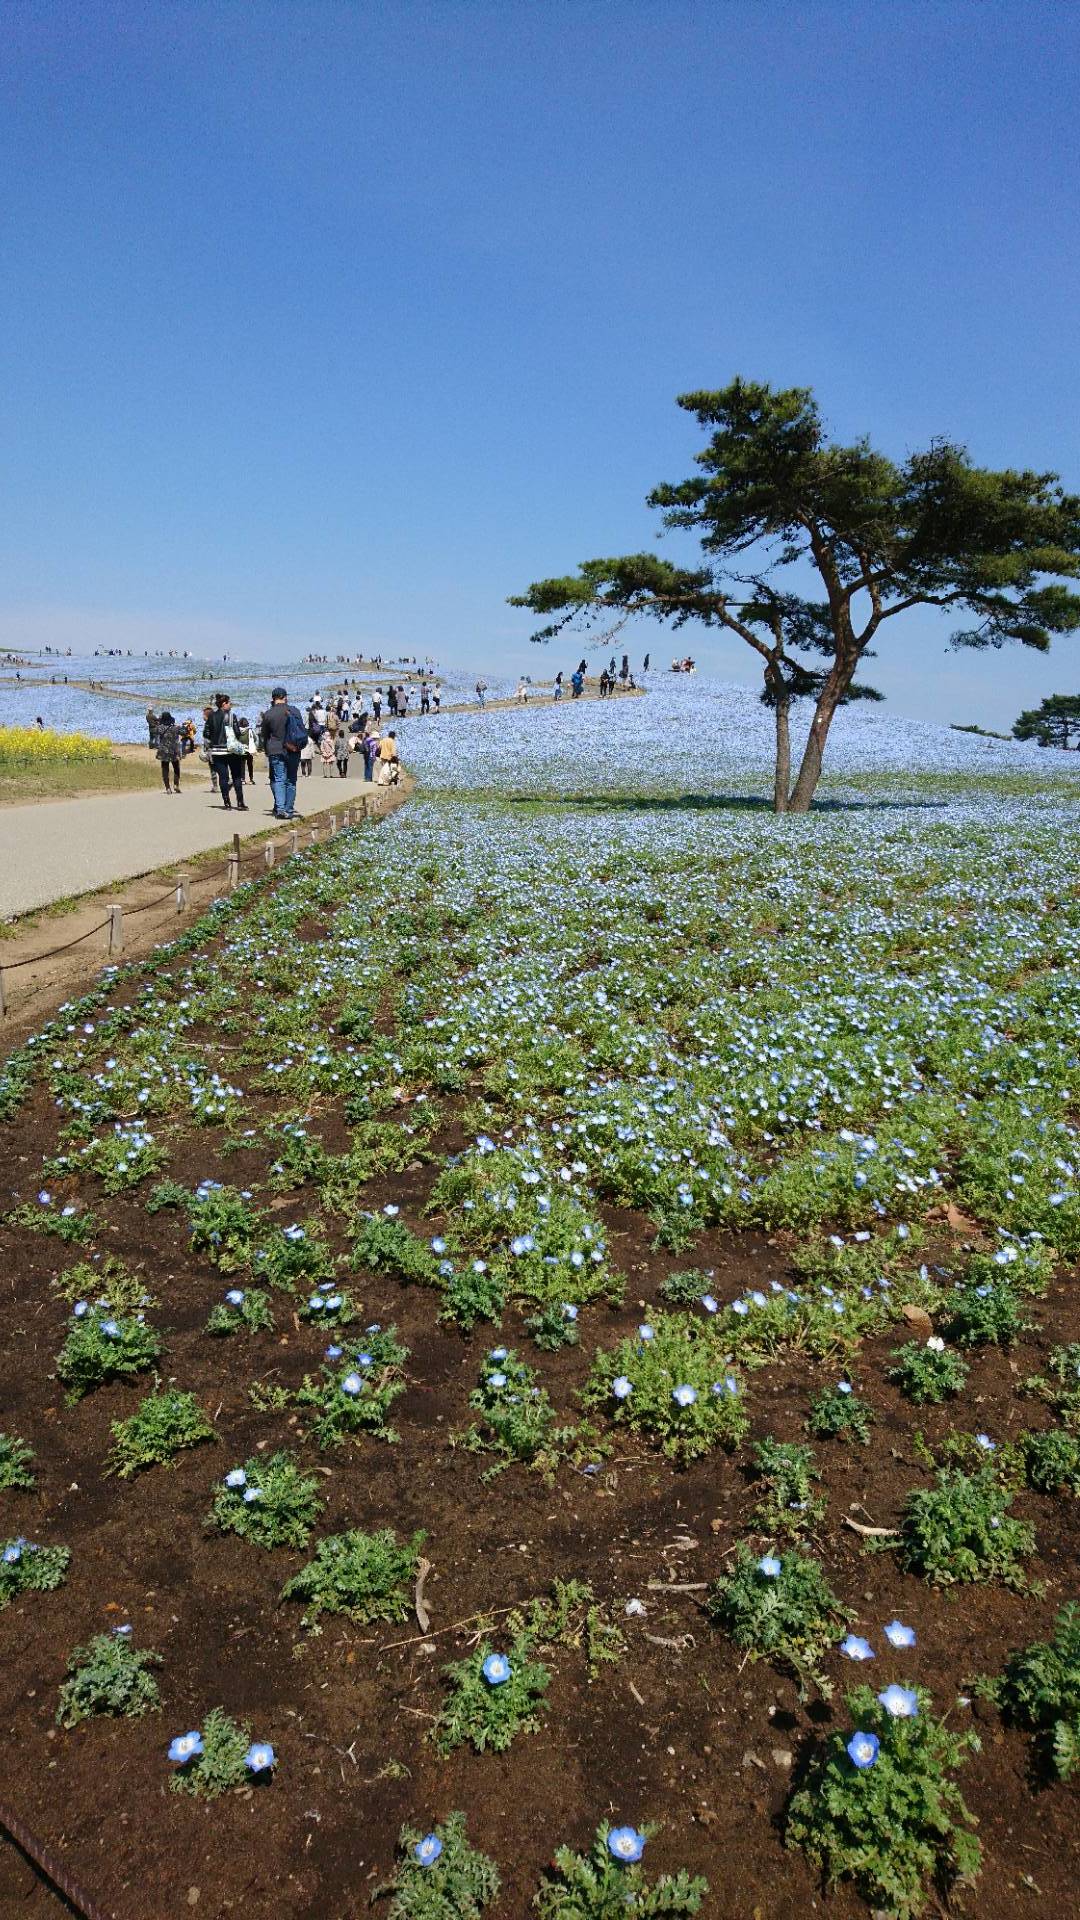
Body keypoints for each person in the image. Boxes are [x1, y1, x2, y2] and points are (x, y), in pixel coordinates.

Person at [259, 685, 306, 820]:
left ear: (273, 699)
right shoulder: (295, 711)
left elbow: (264, 735)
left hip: (275, 749)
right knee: (291, 780)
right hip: (293, 749)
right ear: (285, 698)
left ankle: (280, 809)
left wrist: (267, 750)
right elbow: (301, 730)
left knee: (279, 779)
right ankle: (289, 809)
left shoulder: (269, 714)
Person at [203, 692, 247, 811]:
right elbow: (237, 733)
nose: (230, 704)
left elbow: (206, 733)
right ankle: (240, 802)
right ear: (223, 704)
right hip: (231, 750)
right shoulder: (232, 716)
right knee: (236, 776)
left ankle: (226, 802)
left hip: (217, 751)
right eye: (229, 702)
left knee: (223, 777)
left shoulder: (211, 717)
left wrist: (213, 741)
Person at [155, 711, 181, 793]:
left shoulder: (160, 728)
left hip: (164, 751)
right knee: (176, 768)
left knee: (165, 769)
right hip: (174, 750)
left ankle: (167, 788)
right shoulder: (176, 728)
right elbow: (184, 732)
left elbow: (154, 730)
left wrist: (159, 721)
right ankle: (176, 785)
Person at [234, 714, 255, 783]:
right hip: (249, 750)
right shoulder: (250, 731)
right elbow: (254, 738)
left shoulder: (237, 731)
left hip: (241, 750)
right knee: (250, 765)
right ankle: (251, 779)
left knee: (242, 765)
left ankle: (242, 779)